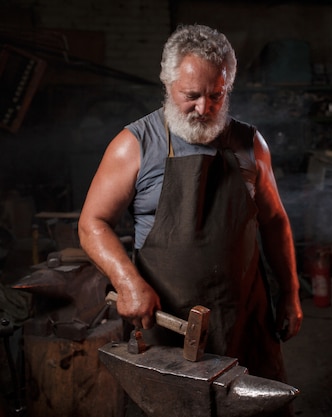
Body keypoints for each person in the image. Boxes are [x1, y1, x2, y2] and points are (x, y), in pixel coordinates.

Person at [78, 24, 303, 416]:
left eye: (217, 95)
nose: (205, 108)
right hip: (167, 325)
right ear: (167, 84)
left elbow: (275, 223)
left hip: (243, 316)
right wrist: (128, 282)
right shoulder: (135, 144)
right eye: (192, 96)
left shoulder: (250, 144)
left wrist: (290, 293)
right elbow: (91, 223)